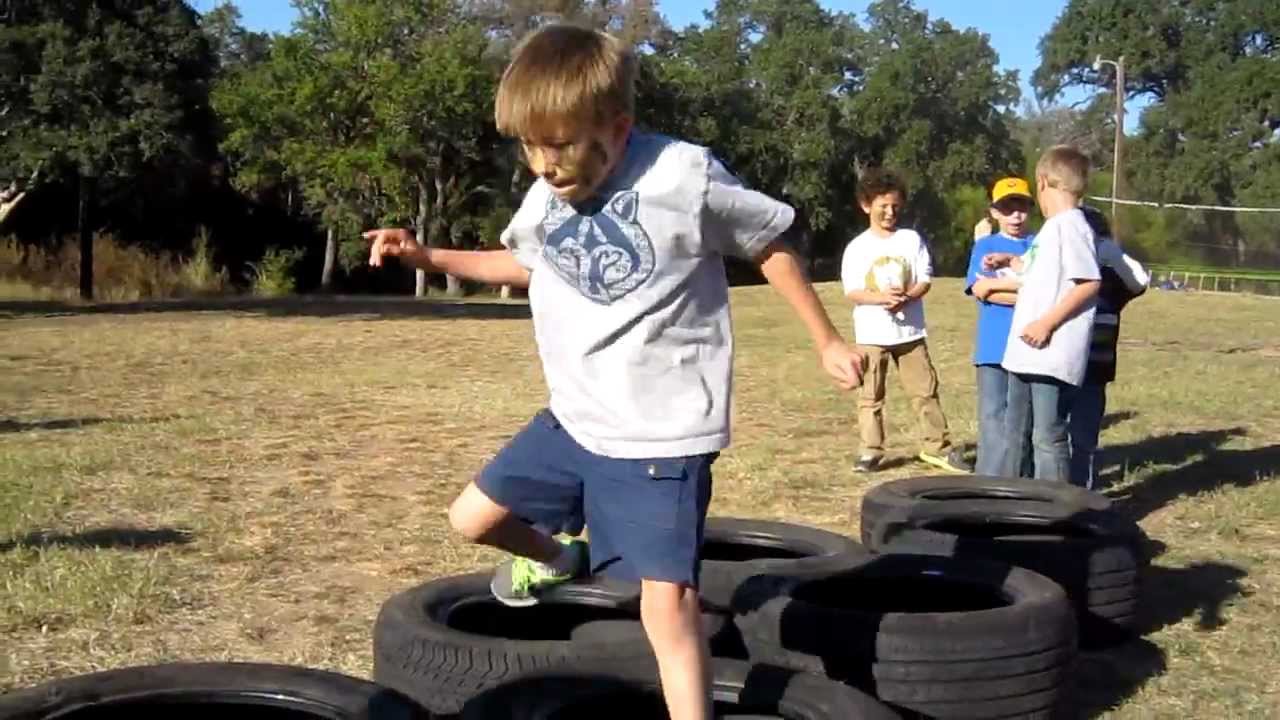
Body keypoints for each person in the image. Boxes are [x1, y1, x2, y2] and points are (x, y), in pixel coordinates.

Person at [362, 24, 863, 720]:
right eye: (531, 146)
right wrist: (429, 258)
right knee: (473, 518)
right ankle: (563, 560)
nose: (544, 164)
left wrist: (827, 341)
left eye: (561, 144)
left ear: (618, 126)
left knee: (667, 606)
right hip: (575, 417)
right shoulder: (546, 192)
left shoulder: (683, 176)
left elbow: (769, 244)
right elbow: (525, 263)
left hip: (661, 433)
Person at [841, 168, 971, 475]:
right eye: (883, 205)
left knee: (925, 391)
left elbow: (924, 279)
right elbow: (853, 291)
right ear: (866, 205)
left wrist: (908, 296)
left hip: (910, 333)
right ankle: (870, 450)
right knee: (870, 396)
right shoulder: (858, 247)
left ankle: (936, 447)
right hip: (872, 334)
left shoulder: (911, 240)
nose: (890, 211)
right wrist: (881, 298)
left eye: (895, 205)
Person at [983, 145, 1102, 482]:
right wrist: (1010, 262)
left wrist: (1046, 323)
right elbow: (1042, 273)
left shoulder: (1071, 225)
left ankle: (1054, 511)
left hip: (1049, 354)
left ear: (1044, 182)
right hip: (1024, 355)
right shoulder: (1052, 230)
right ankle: (1010, 499)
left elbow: (1088, 282)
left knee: (1046, 436)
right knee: (1016, 431)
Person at [1070, 205, 1150, 488]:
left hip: (1095, 364)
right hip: (1063, 361)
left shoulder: (1112, 279)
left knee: (1083, 435)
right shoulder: (1063, 268)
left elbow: (1140, 280)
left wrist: (1106, 250)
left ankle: (1081, 491)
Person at [966, 177, 1036, 476]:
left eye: (1021, 207)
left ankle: (1020, 479)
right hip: (993, 346)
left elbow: (1048, 292)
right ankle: (988, 481)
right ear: (994, 212)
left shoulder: (1039, 244)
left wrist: (1001, 289)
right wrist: (1028, 294)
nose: (1015, 216)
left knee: (1024, 419)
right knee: (992, 416)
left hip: (1031, 345)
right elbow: (980, 290)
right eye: (1007, 209)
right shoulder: (986, 245)